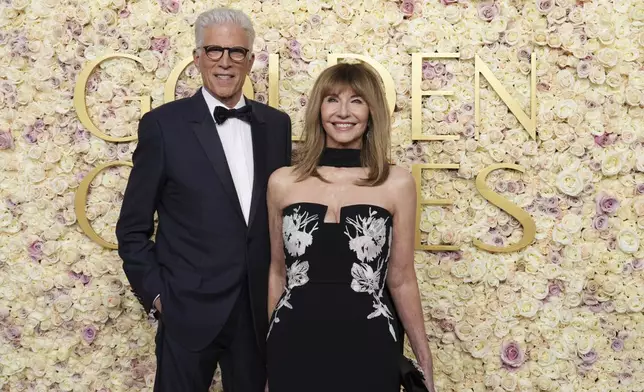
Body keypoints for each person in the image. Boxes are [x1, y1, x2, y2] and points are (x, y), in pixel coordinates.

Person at [115, 7, 292, 392]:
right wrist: (160, 297)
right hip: (187, 312)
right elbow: (132, 229)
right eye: (214, 51)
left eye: (236, 52)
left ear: (250, 59)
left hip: (257, 314)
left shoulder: (277, 126)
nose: (225, 62)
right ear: (197, 58)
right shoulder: (163, 125)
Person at [265, 62, 436, 392]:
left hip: (370, 344)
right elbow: (277, 273)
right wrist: (269, 360)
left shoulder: (396, 182)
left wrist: (425, 362)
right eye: (332, 99)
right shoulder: (283, 182)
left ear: (372, 111)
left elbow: (401, 279)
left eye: (356, 100)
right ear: (319, 108)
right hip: (293, 344)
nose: (343, 112)